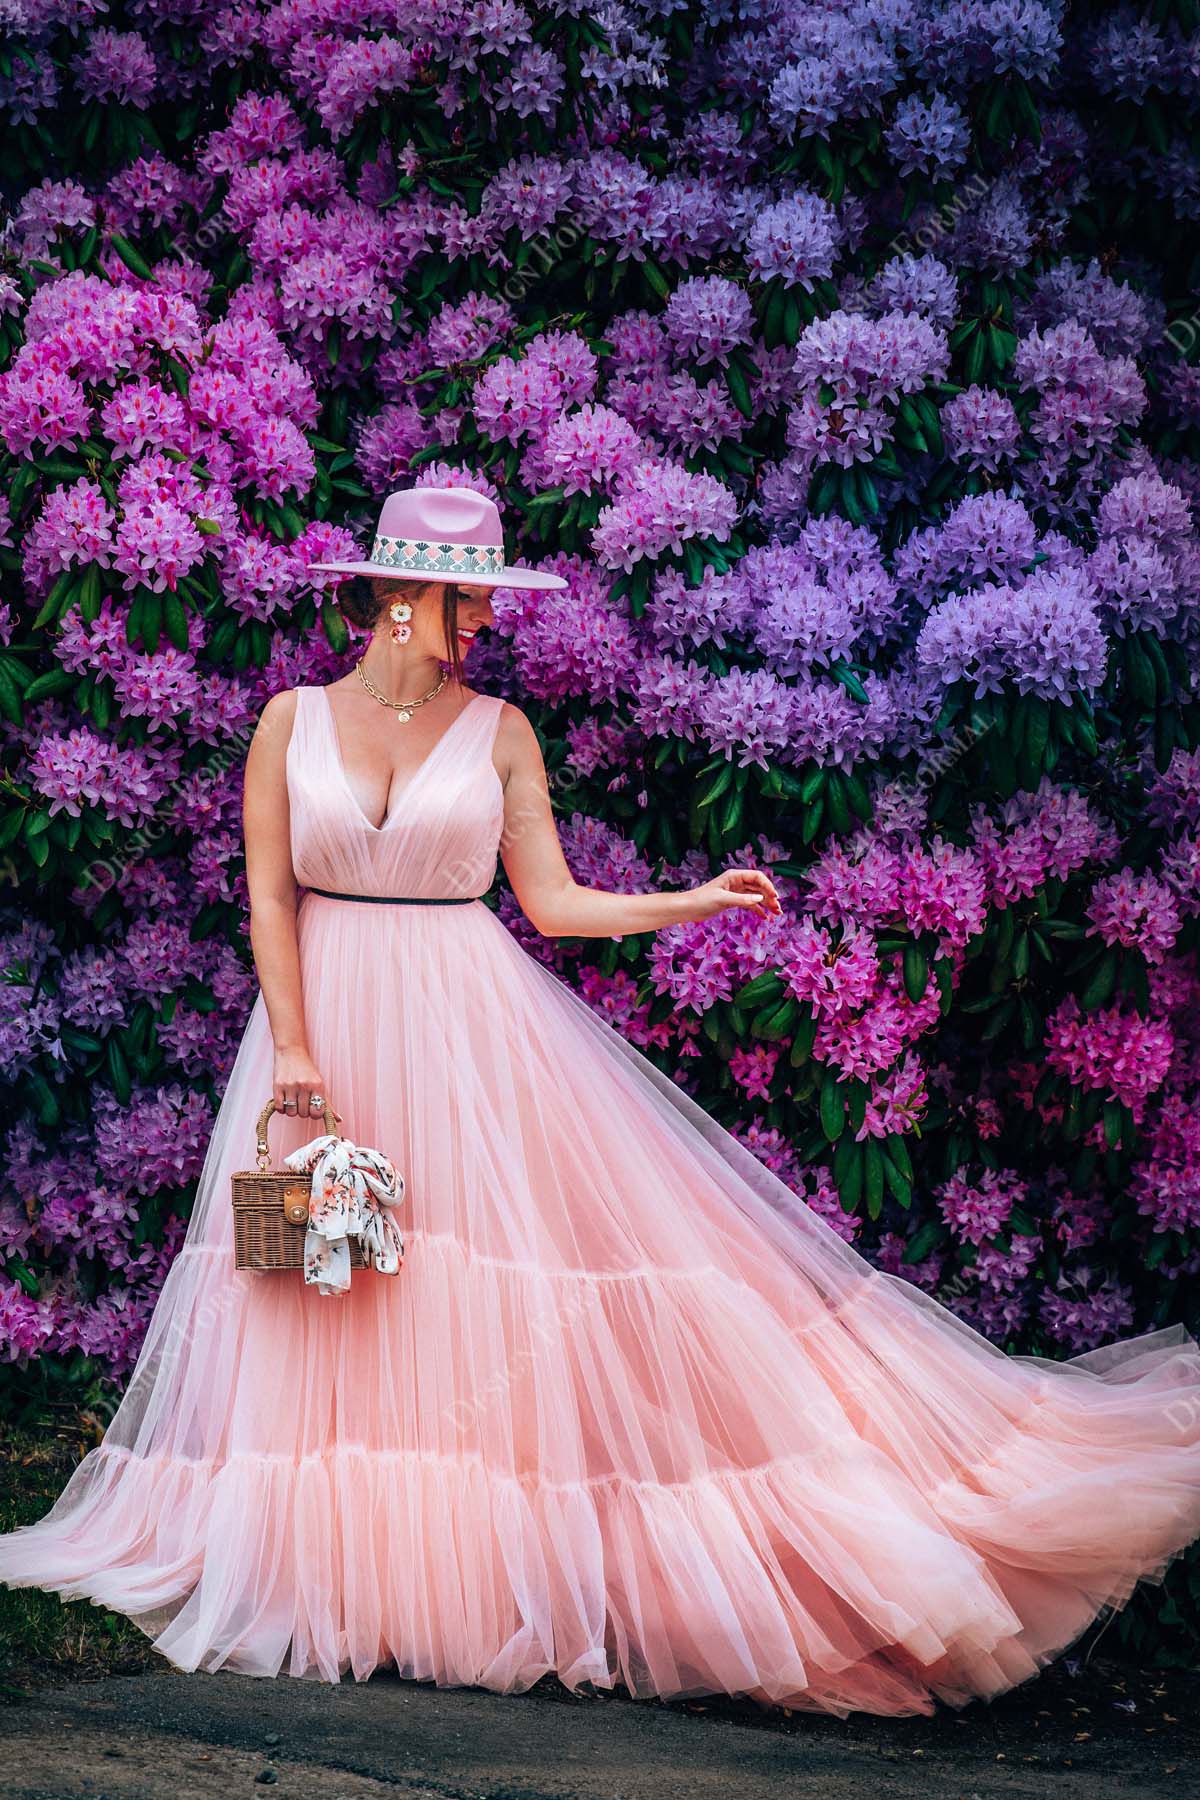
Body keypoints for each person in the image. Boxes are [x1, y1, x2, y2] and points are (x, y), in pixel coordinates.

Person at [1, 486, 1198, 1721]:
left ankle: (463, 1569)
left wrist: (690, 900)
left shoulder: (502, 730)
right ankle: (332, 1558)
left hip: (465, 1031)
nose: (478, 629)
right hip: (326, 1031)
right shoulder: (287, 723)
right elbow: (266, 899)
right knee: (323, 1294)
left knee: (455, 1285)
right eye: (468, 604)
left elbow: (556, 904)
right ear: (401, 600)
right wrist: (296, 1046)